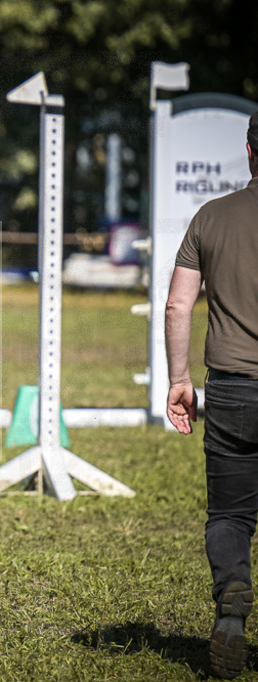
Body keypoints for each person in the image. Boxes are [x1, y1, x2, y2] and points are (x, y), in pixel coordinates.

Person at [166, 111, 258, 679]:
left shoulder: (211, 216)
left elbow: (178, 304)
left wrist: (179, 380)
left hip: (231, 389)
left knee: (229, 513)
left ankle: (231, 607)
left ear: (249, 151)